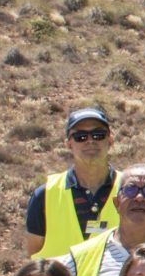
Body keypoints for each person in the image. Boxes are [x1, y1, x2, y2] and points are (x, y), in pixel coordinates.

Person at [26, 106, 119, 258]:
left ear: (110, 140)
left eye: (98, 135)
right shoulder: (44, 196)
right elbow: (34, 259)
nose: (90, 141)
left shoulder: (130, 191)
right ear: (68, 143)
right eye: (80, 137)